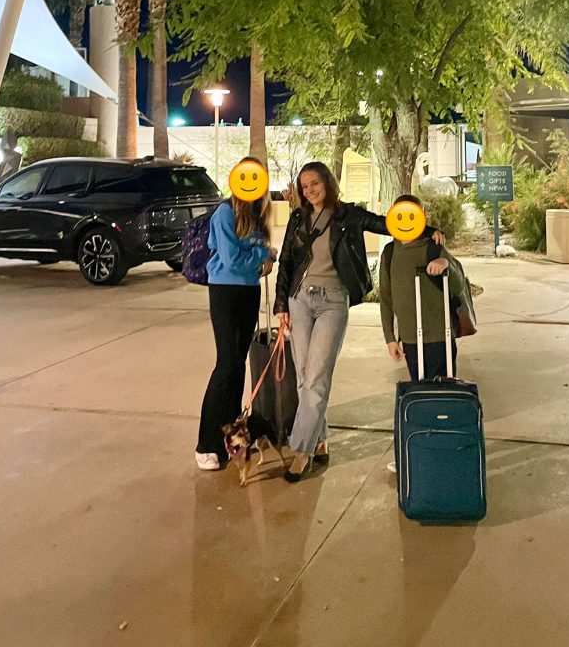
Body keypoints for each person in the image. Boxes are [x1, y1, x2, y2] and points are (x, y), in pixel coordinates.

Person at [275, 163, 442, 482]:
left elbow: (387, 224)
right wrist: (281, 302)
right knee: (303, 376)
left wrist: (425, 228)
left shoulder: (348, 214)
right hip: (299, 299)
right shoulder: (298, 218)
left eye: (314, 183)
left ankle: (301, 451)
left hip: (333, 301)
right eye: (304, 186)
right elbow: (286, 261)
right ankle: (319, 440)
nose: (309, 190)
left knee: (317, 378)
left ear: (327, 182)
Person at [195, 157, 275, 471]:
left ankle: (229, 439)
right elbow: (229, 260)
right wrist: (263, 255)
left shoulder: (257, 215)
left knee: (238, 365)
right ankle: (206, 444)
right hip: (225, 291)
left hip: (249, 291)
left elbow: (253, 259)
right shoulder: (225, 213)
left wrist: (260, 259)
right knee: (226, 364)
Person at [379, 194, 466, 382]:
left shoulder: (433, 247)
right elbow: (386, 298)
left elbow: (458, 285)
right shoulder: (389, 253)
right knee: (420, 388)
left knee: (443, 387)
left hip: (439, 332)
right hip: (410, 335)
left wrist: (445, 263)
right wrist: (390, 337)